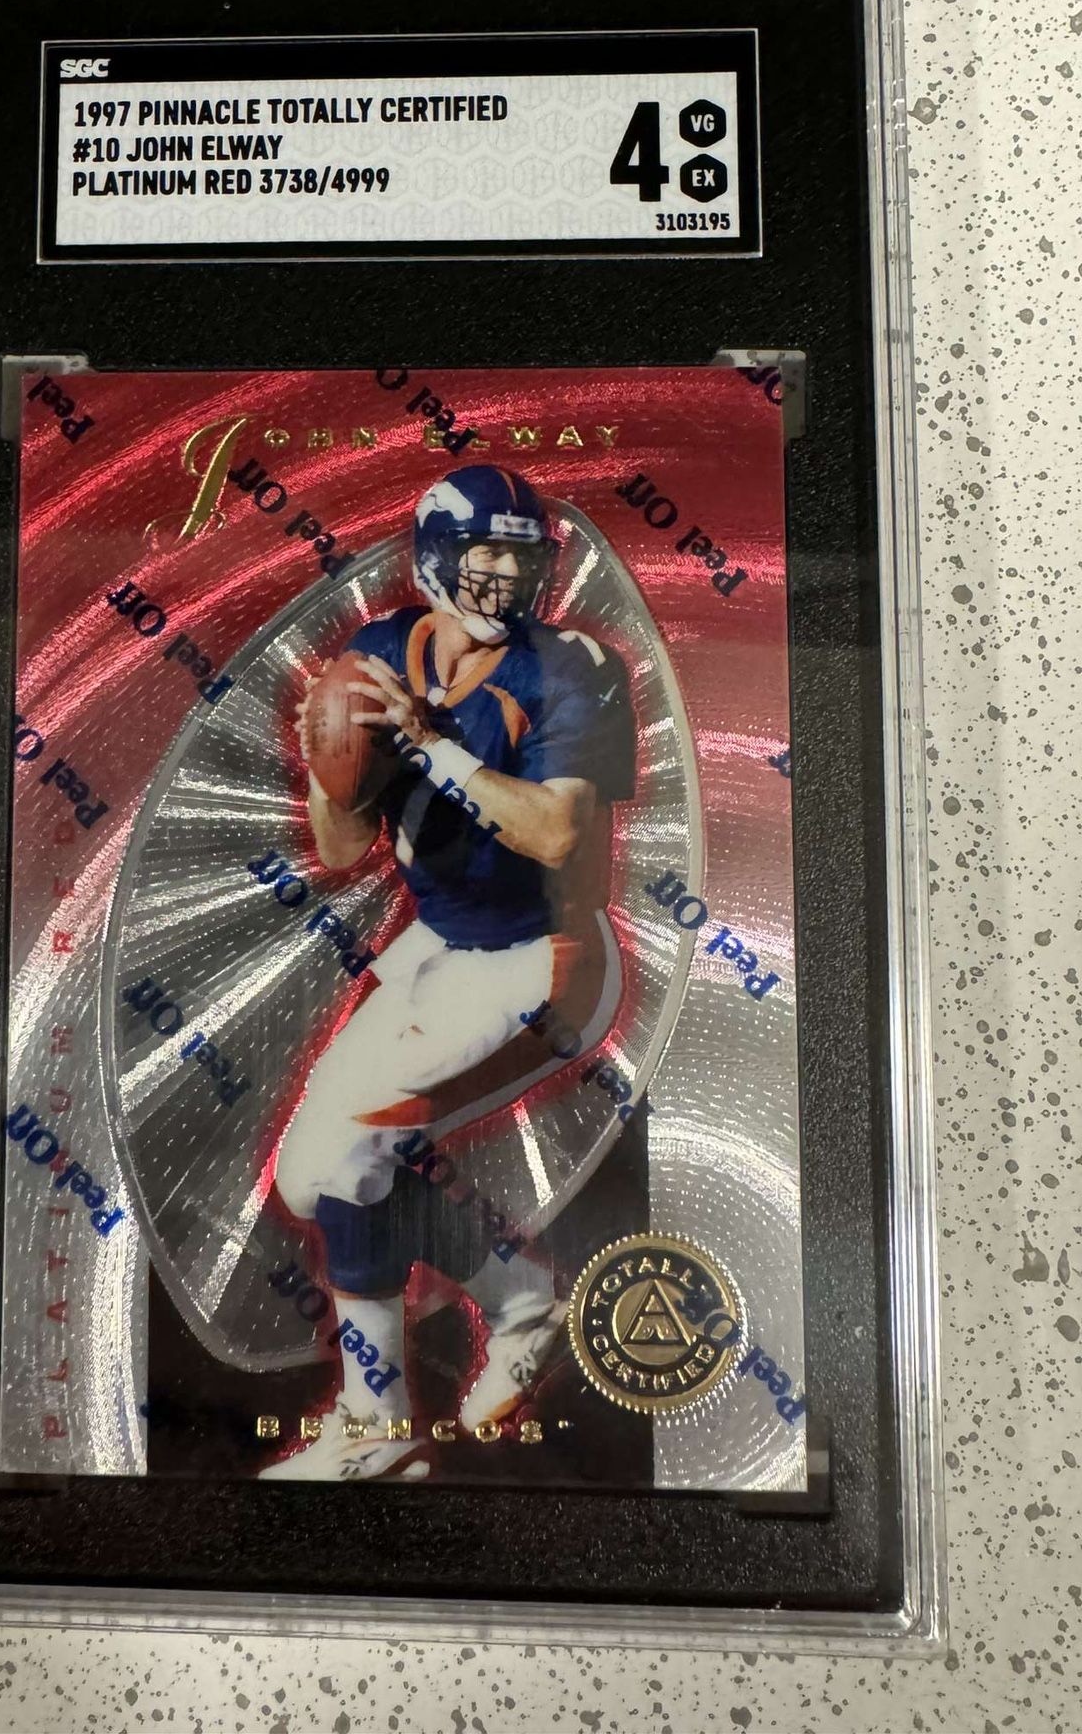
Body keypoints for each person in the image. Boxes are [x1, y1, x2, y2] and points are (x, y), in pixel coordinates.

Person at [262, 464, 637, 1480]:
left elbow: (556, 835)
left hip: (543, 957)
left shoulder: (567, 668)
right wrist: (333, 771)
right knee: (310, 1176)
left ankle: (376, 1429)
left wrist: (428, 744)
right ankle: (521, 1298)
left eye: (522, 556)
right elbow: (342, 849)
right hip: (441, 948)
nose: (505, 576)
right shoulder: (381, 654)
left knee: (351, 1154)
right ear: (434, 557)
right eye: (486, 553)